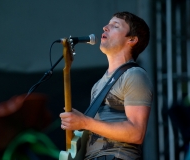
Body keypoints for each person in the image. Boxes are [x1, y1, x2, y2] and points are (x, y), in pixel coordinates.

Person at [60, 11, 153, 160]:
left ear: (132, 39)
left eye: (115, 26)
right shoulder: (98, 85)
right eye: (108, 24)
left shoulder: (134, 75)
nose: (105, 27)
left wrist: (84, 122)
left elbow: (137, 133)